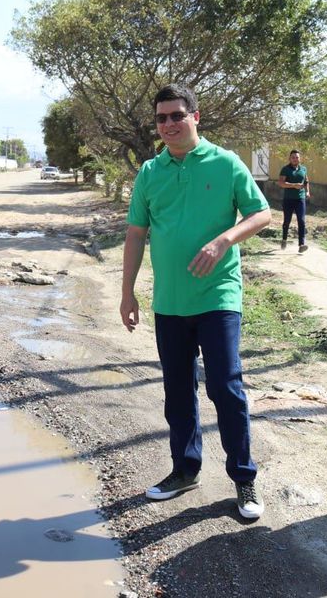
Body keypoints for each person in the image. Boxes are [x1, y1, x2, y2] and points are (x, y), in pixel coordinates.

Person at [120, 83, 271, 519]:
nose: (168, 124)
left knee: (226, 386)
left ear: (195, 117)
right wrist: (127, 291)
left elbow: (261, 213)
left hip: (218, 295)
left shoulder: (225, 163)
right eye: (161, 118)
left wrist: (224, 240)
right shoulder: (150, 172)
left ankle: (244, 480)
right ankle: (184, 470)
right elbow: (135, 234)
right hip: (169, 301)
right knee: (178, 391)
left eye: (176, 116)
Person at [278, 150, 310, 252]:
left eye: (297, 157)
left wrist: (307, 191)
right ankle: (284, 239)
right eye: (293, 157)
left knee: (301, 221)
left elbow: (306, 181)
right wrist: (293, 185)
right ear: (289, 158)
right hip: (288, 199)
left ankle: (301, 244)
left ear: (300, 158)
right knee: (287, 221)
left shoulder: (303, 169)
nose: (295, 159)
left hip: (300, 199)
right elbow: (281, 183)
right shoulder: (285, 169)